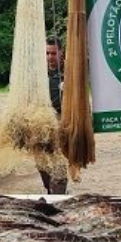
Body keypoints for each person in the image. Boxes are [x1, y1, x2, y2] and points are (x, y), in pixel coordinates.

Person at [40, 38, 68, 194]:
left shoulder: (68, 73)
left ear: (61, 53)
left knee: (59, 167)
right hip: (41, 127)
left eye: (53, 53)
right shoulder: (38, 73)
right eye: (47, 53)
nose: (50, 57)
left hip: (61, 127)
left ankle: (58, 195)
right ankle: (49, 190)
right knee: (42, 165)